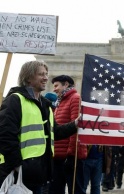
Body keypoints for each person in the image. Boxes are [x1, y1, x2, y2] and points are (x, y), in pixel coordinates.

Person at [0, 61, 80, 194]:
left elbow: (56, 132)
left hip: (41, 173)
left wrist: (76, 124)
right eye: (41, 74)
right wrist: (17, 165)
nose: (45, 78)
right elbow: (5, 135)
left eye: (46, 74)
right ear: (28, 77)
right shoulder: (15, 100)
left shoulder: (45, 105)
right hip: (18, 174)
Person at [49, 75, 87, 194]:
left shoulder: (75, 98)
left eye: (56, 86)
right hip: (58, 156)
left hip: (69, 157)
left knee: (75, 190)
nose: (54, 89)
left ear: (66, 84)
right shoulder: (59, 101)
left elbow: (76, 127)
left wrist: (71, 154)